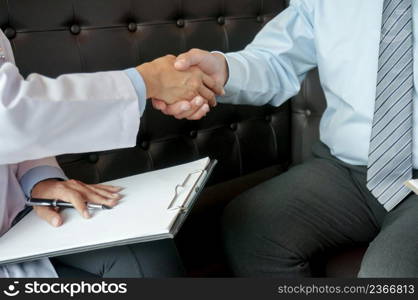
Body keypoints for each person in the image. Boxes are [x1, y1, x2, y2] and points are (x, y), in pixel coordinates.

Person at [153, 0, 418, 277]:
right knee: (251, 226)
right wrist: (222, 71)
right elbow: (276, 59)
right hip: (347, 171)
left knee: (388, 273)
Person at [0, 26, 223, 278]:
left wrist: (40, 178)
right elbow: (9, 113)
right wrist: (149, 80)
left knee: (147, 251)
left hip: (18, 216)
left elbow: (17, 122)